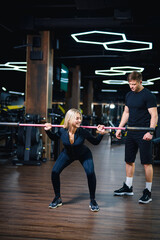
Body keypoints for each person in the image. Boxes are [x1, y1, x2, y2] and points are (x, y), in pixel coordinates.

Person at [44, 108, 105, 212]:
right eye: (77, 118)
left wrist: (100, 134)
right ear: (69, 119)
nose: (79, 120)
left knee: (90, 173)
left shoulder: (83, 132)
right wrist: (48, 131)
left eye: (80, 118)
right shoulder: (62, 131)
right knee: (54, 172)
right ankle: (57, 198)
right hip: (67, 154)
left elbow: (95, 142)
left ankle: (93, 200)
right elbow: (54, 138)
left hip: (83, 154)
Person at [114, 71, 158, 204]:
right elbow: (126, 112)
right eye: (130, 84)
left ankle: (147, 191)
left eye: (134, 84)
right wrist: (120, 127)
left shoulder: (148, 96)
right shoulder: (128, 95)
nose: (132, 87)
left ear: (140, 82)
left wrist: (150, 132)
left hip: (144, 132)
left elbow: (154, 116)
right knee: (128, 160)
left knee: (146, 163)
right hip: (131, 131)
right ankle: (128, 187)